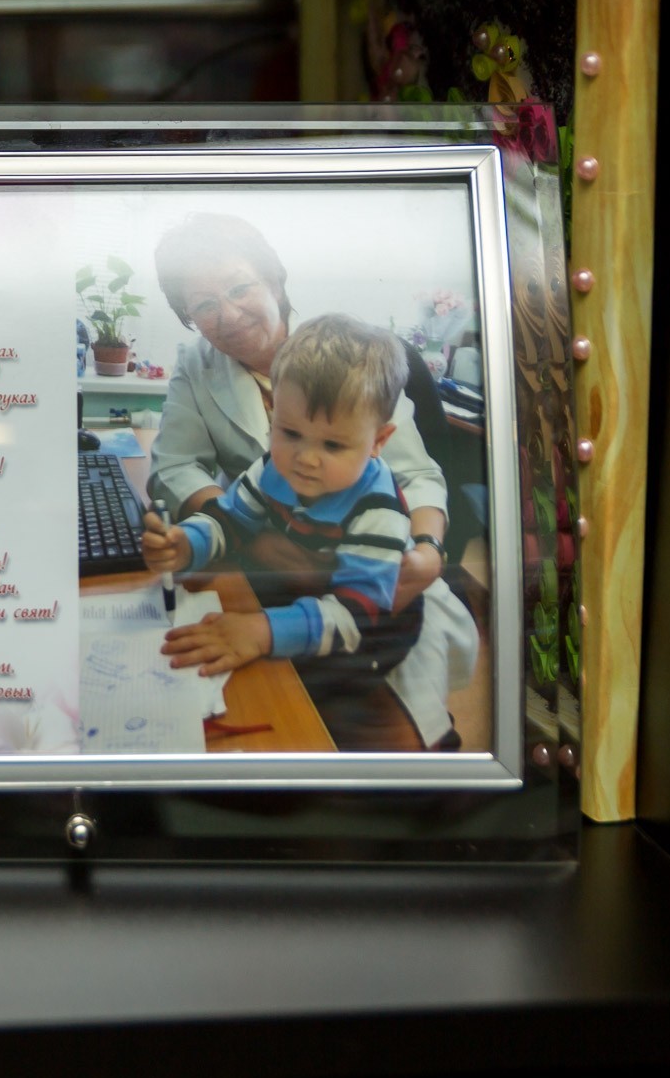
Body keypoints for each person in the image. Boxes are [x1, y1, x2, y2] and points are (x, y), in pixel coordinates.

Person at [146, 213, 474, 750]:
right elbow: (191, 479)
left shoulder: (351, 360)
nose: (227, 314)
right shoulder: (238, 426)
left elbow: (415, 478)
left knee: (380, 730)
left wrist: (426, 550)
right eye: (203, 304)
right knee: (264, 703)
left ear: (274, 280)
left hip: (374, 584)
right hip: (272, 567)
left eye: (239, 288)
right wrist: (205, 539)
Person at [141, 317, 423, 720]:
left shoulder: (379, 509)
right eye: (290, 433)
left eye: (332, 445)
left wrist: (262, 631)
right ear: (274, 412)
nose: (305, 459)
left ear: (378, 441)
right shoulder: (274, 466)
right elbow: (229, 521)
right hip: (305, 595)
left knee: (299, 705)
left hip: (372, 624)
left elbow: (355, 618)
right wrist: (186, 543)